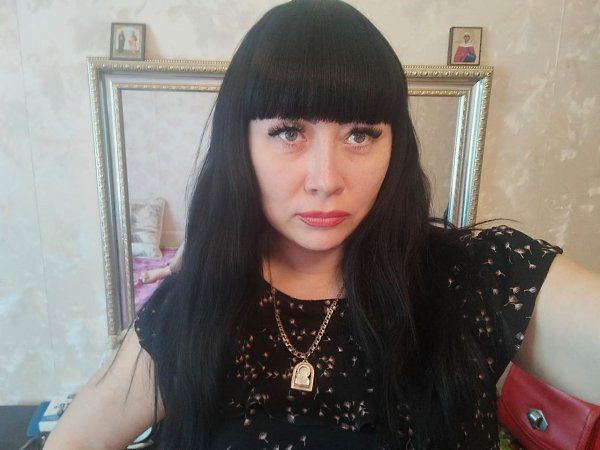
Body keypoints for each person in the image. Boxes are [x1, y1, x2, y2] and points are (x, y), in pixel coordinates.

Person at [45, 1, 600, 449]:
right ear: (241, 145)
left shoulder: (478, 279)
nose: (326, 180)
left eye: (360, 134)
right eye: (289, 131)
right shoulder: (194, 308)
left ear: (394, 145)